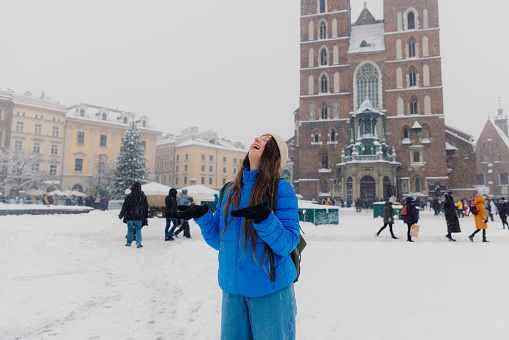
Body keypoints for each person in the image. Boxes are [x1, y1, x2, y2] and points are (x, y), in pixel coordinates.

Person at [167, 132, 299, 339]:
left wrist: (265, 220)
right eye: (259, 137)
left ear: (275, 154)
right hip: (232, 291)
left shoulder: (280, 188)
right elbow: (221, 242)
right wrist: (203, 217)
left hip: (270, 292)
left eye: (267, 141)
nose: (258, 140)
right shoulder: (230, 190)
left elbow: (288, 244)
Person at [119, 182, 149, 248]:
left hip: (130, 216)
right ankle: (138, 243)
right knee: (138, 229)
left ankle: (128, 242)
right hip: (139, 216)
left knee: (130, 229)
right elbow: (146, 206)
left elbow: (124, 206)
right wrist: (146, 216)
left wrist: (121, 214)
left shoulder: (129, 196)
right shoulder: (143, 196)